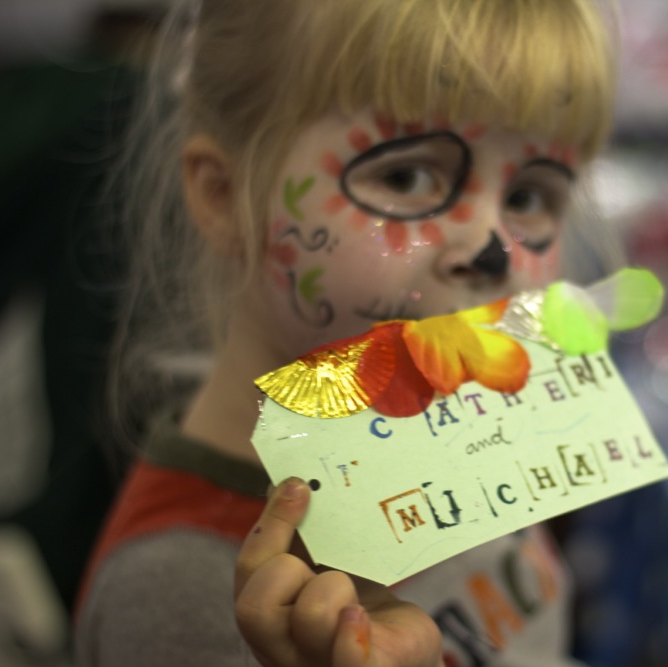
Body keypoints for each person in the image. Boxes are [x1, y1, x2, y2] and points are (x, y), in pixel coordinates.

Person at [75, 0, 621, 664]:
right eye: (406, 176)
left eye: (529, 196)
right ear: (223, 197)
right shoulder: (181, 590)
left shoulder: (480, 431)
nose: (490, 248)